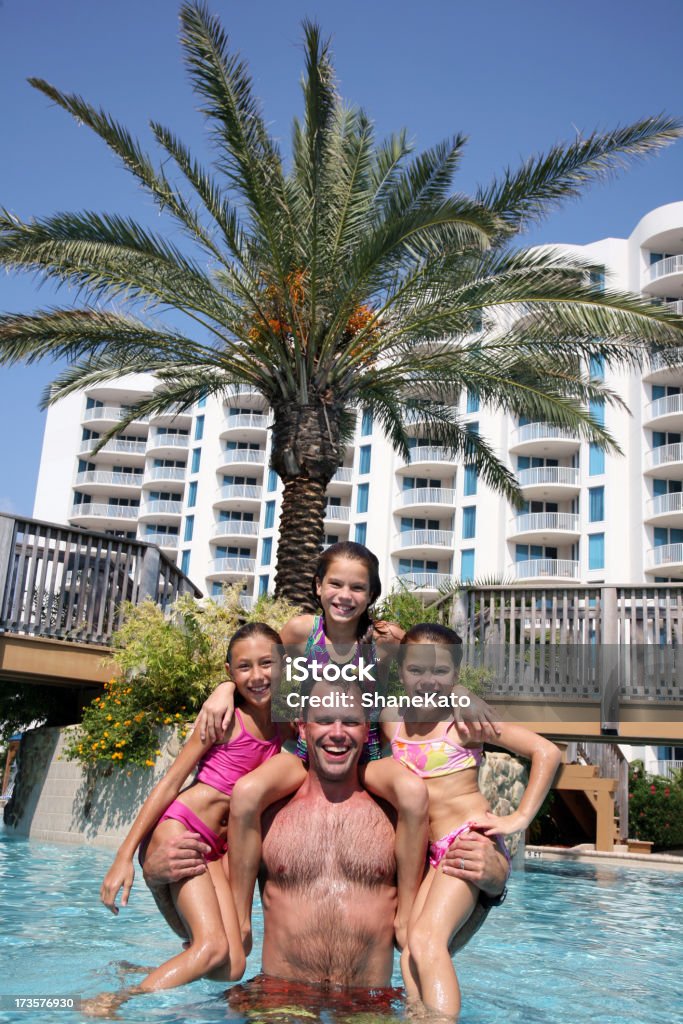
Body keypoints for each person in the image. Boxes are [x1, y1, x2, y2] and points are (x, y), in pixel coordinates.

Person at [198, 542, 499, 951]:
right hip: (307, 754)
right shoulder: (300, 632)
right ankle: (239, 917)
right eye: (335, 584)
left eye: (357, 587)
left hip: (370, 753)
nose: (345, 595)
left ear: (371, 594)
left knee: (412, 793)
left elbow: (433, 668)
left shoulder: (386, 640)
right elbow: (263, 682)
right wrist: (225, 687)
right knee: (248, 793)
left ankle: (407, 915)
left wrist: (462, 689)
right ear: (318, 586)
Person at [143, 674, 510, 996]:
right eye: (324, 721)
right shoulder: (265, 815)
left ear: (366, 728)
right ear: (302, 726)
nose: (337, 734)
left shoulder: (398, 817)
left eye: (351, 722)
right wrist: (158, 881)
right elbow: (216, 942)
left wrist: (492, 891)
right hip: (277, 1001)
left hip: (369, 1007)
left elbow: (431, 940)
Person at [85, 623, 292, 1015]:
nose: (258, 676)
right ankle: (115, 1001)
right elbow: (170, 782)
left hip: (214, 849)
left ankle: (144, 974)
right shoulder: (224, 720)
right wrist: (123, 856)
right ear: (229, 671)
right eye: (243, 668)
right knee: (213, 946)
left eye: (267, 663)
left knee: (233, 963)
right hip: (182, 830)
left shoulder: (286, 725)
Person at [389, 623, 562, 1022]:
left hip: (466, 840)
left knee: (426, 939)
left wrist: (517, 819)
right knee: (409, 953)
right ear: (400, 671)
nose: (427, 680)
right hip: (432, 851)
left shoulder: (464, 723)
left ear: (456, 675)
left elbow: (546, 752)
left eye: (441, 671)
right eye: (416, 670)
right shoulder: (393, 720)